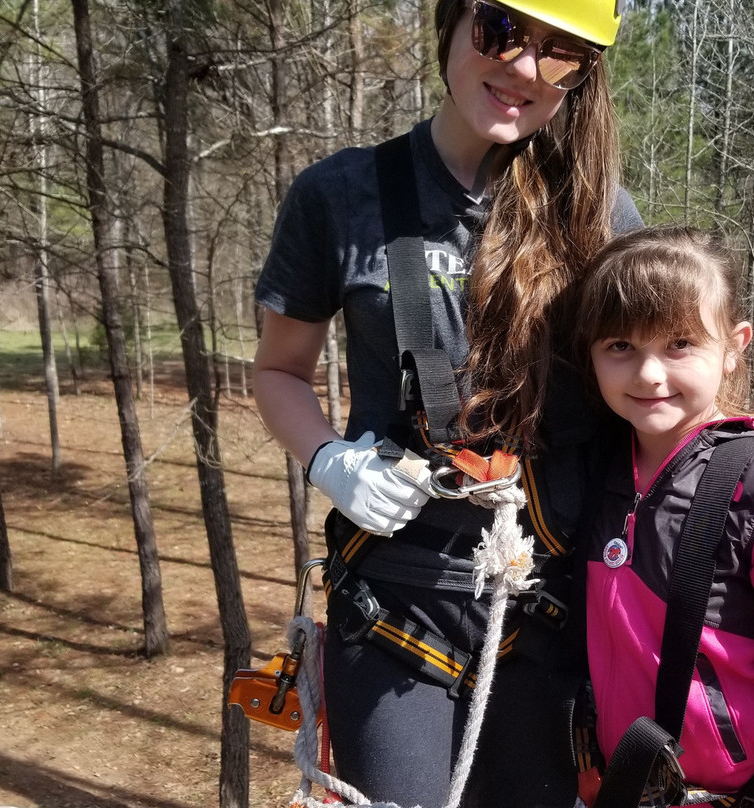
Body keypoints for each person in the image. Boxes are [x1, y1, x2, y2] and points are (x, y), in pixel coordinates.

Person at [251, 2, 643, 807]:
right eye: (500, 31)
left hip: (546, 609)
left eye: (561, 55)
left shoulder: (599, 218)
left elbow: (652, 391)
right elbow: (278, 370)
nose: (525, 70)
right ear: (451, 23)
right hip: (392, 604)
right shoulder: (342, 195)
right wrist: (330, 458)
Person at [573, 225, 754, 807]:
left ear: (735, 347)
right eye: (620, 346)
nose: (649, 373)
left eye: (679, 343)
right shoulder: (596, 472)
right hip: (612, 784)